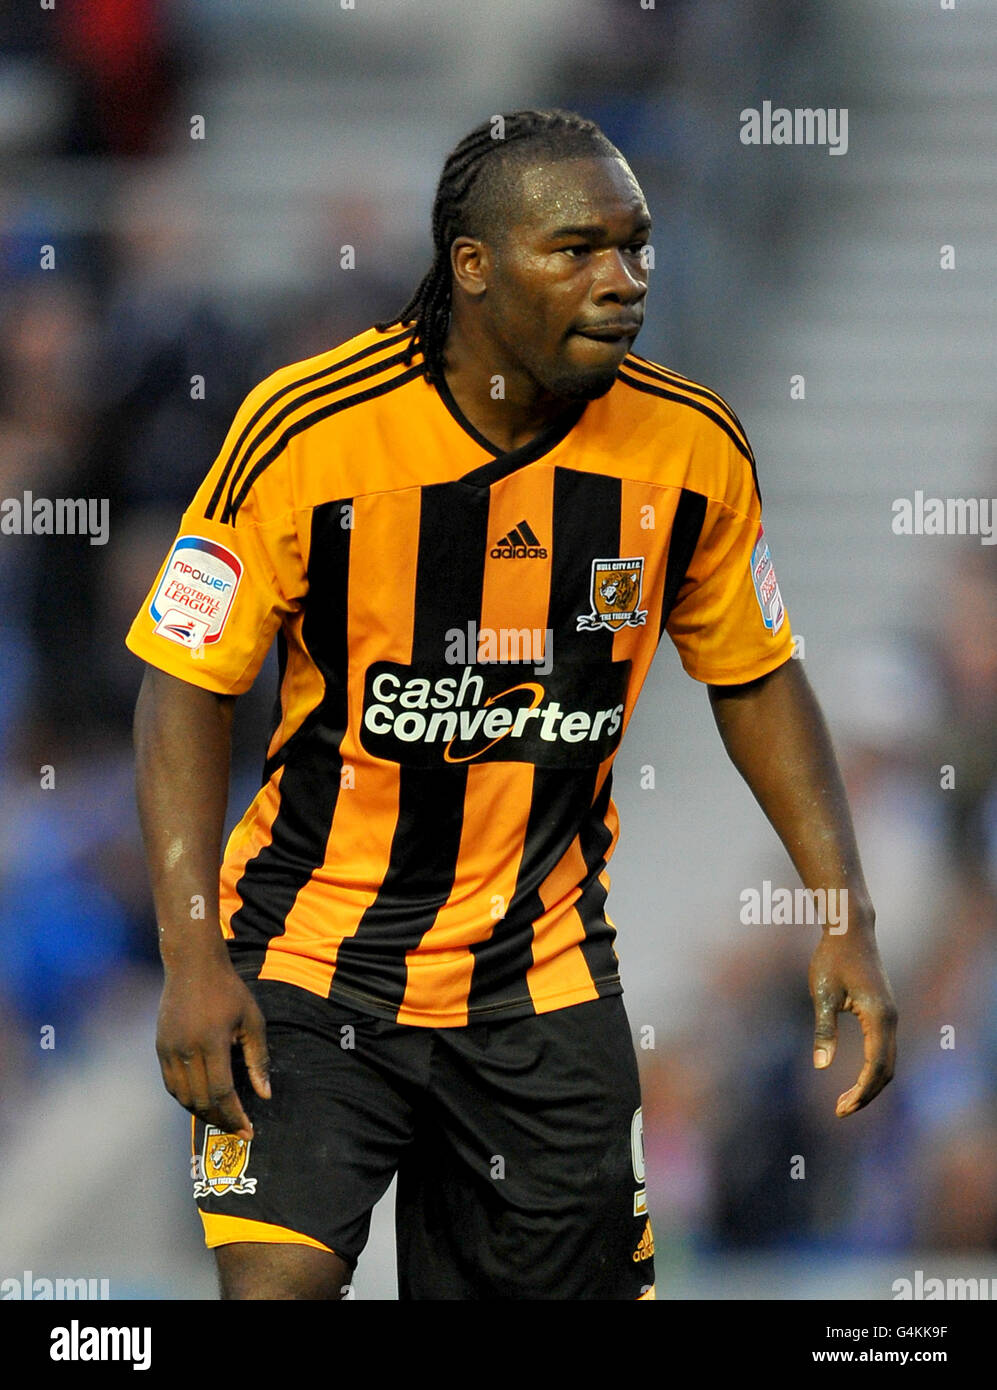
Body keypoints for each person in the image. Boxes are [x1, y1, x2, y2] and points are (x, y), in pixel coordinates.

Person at [127, 108, 897, 1301]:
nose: (623, 280)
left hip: (542, 984)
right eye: (577, 248)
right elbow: (182, 686)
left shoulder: (690, 450)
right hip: (310, 961)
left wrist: (840, 906)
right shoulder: (307, 433)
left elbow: (755, 675)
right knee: (274, 1291)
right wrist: (189, 956)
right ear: (472, 266)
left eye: (636, 247)